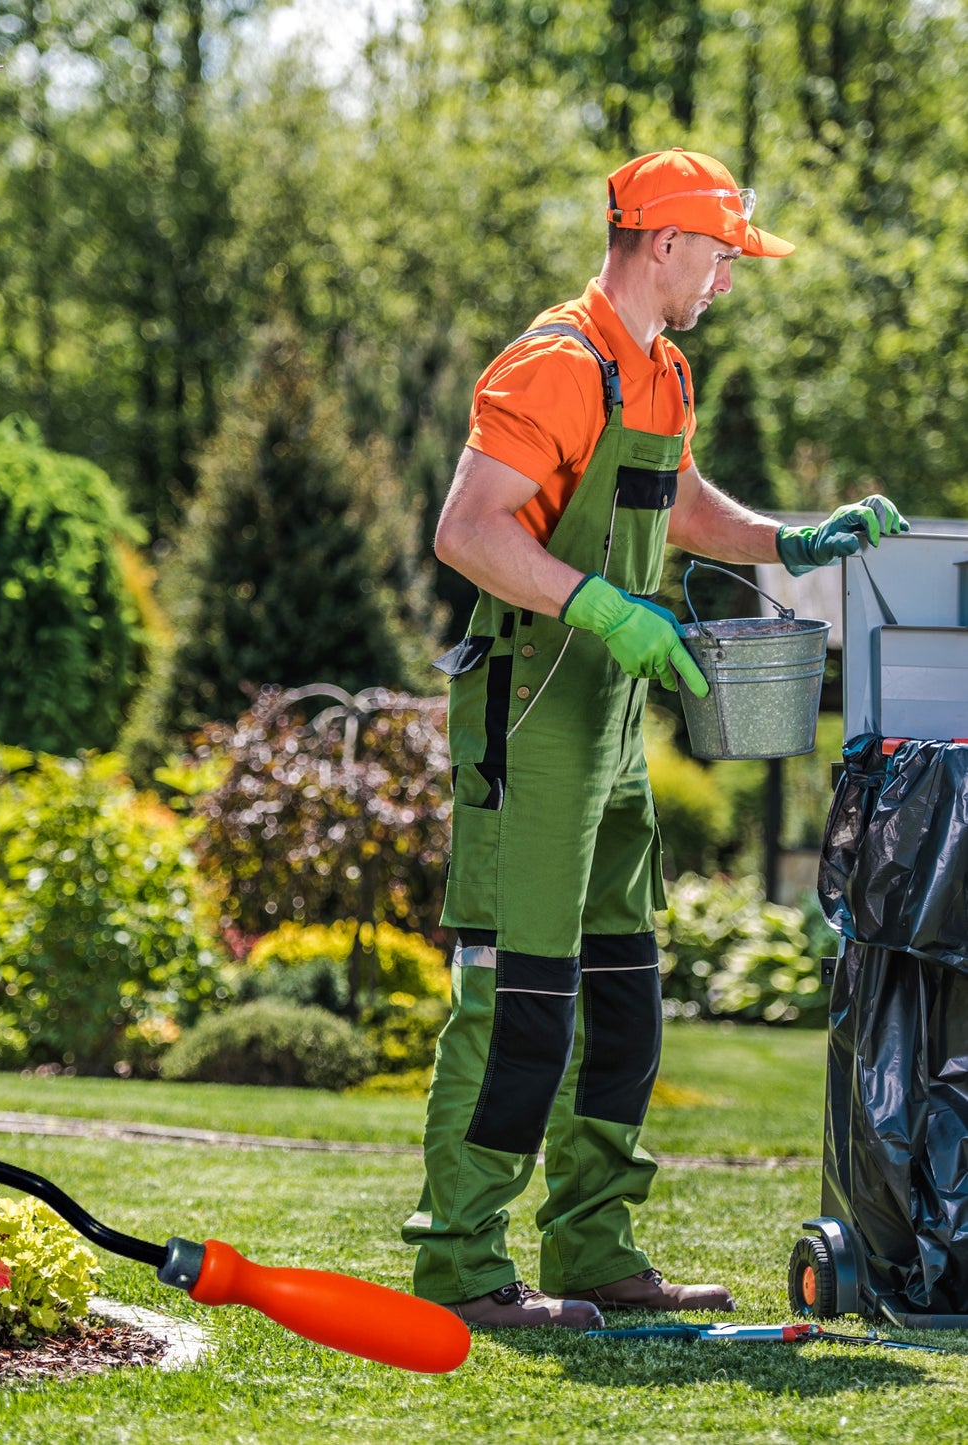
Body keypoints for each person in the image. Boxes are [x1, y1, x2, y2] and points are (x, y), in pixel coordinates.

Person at [403, 147, 908, 1331]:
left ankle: (591, 1242)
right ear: (664, 241)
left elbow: (674, 503)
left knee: (622, 989)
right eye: (721, 255)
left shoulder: (661, 370)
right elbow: (466, 531)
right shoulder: (553, 362)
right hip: (531, 710)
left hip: (614, 718)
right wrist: (598, 605)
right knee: (519, 991)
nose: (727, 277)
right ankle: (462, 1261)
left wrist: (786, 542)